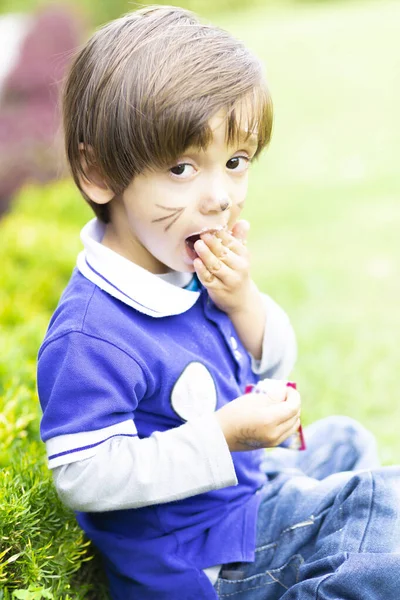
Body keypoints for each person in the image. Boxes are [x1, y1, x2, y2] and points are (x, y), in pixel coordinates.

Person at [37, 6, 400, 600]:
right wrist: (221, 437)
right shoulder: (91, 334)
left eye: (235, 163)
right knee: (382, 504)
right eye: (182, 168)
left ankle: (344, 544)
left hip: (242, 489)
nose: (219, 198)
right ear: (97, 170)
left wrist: (242, 300)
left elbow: (267, 361)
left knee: (347, 442)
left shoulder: (178, 262)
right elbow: (84, 476)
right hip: (204, 556)